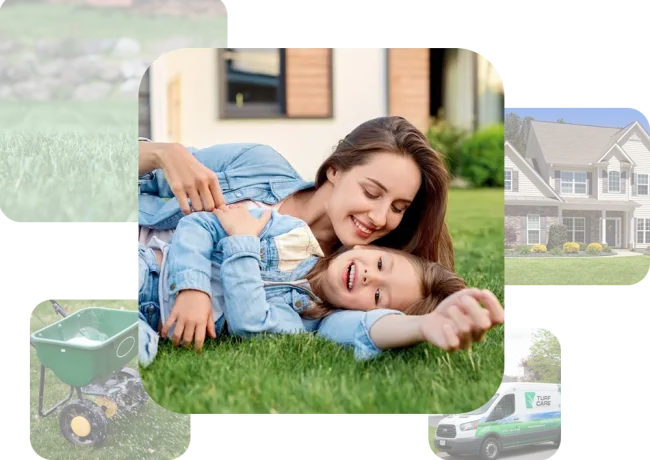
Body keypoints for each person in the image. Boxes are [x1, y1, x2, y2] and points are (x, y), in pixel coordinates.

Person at [137, 204, 504, 368]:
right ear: (366, 246)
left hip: (156, 323)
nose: (368, 276)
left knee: (121, 345)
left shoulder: (309, 323)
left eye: (378, 295)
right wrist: (193, 288)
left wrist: (423, 325)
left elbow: (250, 323)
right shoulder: (290, 232)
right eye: (379, 263)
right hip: (154, 267)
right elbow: (200, 224)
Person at [138, 116, 455, 273]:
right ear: (335, 170)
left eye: (399, 208)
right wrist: (163, 153)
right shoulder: (257, 164)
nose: (380, 217)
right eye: (372, 192)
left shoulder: (339, 279)